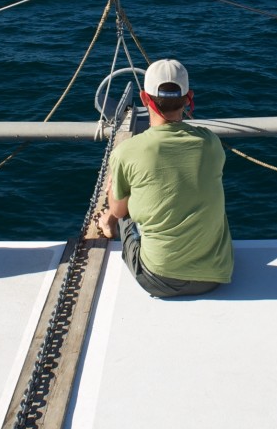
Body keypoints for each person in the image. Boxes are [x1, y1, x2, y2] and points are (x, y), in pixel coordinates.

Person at [98, 58, 234, 297]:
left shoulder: (127, 151)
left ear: (143, 98)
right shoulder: (211, 142)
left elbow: (120, 211)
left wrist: (114, 188)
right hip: (216, 274)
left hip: (159, 278)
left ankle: (105, 225)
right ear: (188, 97)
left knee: (121, 206)